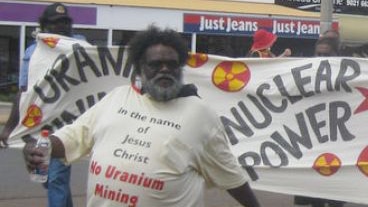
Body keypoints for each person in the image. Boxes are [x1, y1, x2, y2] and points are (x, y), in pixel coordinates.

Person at [23, 25, 261, 207]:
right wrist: (38, 147)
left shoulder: (200, 115)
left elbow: (232, 176)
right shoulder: (116, 98)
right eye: (155, 64)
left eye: (172, 64)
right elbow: (71, 139)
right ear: (139, 69)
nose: (165, 69)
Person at [0, 2, 88, 207]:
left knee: (56, 177)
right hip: (40, 125)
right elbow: (24, 91)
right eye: (56, 23)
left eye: (65, 22)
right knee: (47, 178)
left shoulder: (80, 45)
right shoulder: (33, 52)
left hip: (68, 123)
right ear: (45, 25)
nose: (62, 27)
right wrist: (9, 128)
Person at [294, 32, 345, 207]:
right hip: (309, 143)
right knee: (309, 197)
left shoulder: (349, 77)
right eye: (319, 54)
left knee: (334, 197)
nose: (322, 58)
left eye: (327, 55)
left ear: (337, 56)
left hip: (337, 144)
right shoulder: (303, 74)